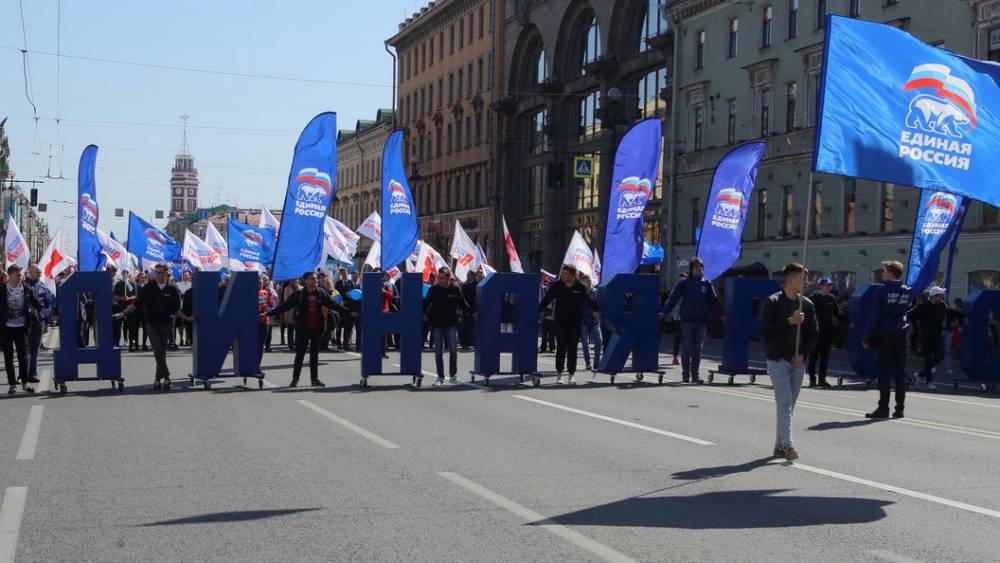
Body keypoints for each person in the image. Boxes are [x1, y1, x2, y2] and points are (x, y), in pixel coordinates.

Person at [760, 263, 818, 461]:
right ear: (792, 279)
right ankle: (789, 446)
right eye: (804, 279)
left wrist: (802, 355)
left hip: (798, 362)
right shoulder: (773, 302)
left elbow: (813, 334)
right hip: (778, 360)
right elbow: (764, 331)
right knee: (784, 403)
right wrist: (788, 322)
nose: (807, 283)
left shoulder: (807, 304)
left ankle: (778, 447)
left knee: (788, 406)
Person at [269, 271, 357, 387]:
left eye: (315, 279)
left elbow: (333, 305)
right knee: (300, 355)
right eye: (312, 279)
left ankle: (314, 379)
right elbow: (285, 306)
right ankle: (295, 379)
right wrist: (268, 314)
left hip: (317, 328)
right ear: (305, 281)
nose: (314, 281)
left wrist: (349, 312)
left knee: (314, 355)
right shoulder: (299, 294)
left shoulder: (321, 293)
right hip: (303, 329)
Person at [119, 264, 185, 389]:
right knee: (157, 350)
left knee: (162, 352)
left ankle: (158, 378)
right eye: (157, 272)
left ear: (166, 273)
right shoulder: (149, 287)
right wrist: (123, 312)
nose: (158, 274)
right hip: (151, 324)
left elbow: (176, 309)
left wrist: (187, 318)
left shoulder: (172, 289)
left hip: (166, 323)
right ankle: (166, 377)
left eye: (161, 272)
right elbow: (136, 303)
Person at [863, 260, 911, 419]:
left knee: (884, 372)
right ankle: (900, 409)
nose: (883, 273)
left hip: (885, 334)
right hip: (900, 335)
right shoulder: (906, 291)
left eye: (884, 271)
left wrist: (866, 337)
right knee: (899, 372)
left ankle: (883, 409)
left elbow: (874, 316)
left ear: (890, 273)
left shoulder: (881, 291)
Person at [539, 264, 600, 385]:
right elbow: (547, 298)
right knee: (560, 348)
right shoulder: (557, 286)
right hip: (560, 322)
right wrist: (539, 309)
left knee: (572, 349)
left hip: (575, 323)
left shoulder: (579, 287)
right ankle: (560, 374)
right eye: (562, 273)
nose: (563, 275)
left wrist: (597, 310)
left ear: (572, 275)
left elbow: (589, 300)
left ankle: (571, 374)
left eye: (566, 274)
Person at [660, 257, 719, 383]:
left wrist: (722, 315)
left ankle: (695, 375)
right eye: (697, 267)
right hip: (687, 321)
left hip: (701, 321)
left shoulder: (706, 283)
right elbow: (674, 298)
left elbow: (713, 301)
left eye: (701, 267)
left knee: (697, 349)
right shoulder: (684, 283)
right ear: (692, 269)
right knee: (687, 348)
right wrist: (665, 312)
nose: (700, 269)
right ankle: (685, 375)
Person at [423, 267, 471, 386]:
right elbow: (425, 303)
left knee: (453, 351)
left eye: (442, 278)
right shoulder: (433, 290)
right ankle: (440, 377)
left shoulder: (455, 289)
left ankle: (453, 376)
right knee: (438, 352)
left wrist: (473, 312)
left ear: (448, 278)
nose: (439, 280)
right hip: (437, 325)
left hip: (451, 324)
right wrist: (423, 314)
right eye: (438, 278)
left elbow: (463, 303)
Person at [2, 265, 43, 394]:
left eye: (20, 275)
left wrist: (46, 311)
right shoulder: (2, 290)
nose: (20, 277)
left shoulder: (26, 288)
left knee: (23, 357)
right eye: (17, 275)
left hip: (21, 327)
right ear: (10, 275)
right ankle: (12, 384)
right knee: (8, 357)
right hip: (6, 328)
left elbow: (35, 302)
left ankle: (25, 383)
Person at [908, 286, 957, 391]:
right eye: (940, 295)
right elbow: (910, 313)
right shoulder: (924, 306)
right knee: (928, 359)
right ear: (934, 296)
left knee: (938, 358)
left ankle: (919, 374)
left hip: (937, 336)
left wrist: (965, 315)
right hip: (925, 337)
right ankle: (929, 383)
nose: (942, 297)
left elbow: (951, 311)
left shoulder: (942, 305)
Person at [23, 263, 54, 384]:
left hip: (39, 321)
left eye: (40, 273)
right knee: (25, 349)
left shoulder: (42, 286)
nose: (40, 275)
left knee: (35, 349)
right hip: (26, 322)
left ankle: (32, 374)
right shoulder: (23, 285)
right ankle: (23, 373)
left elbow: (47, 303)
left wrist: (47, 323)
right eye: (37, 273)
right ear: (29, 272)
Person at [807, 277, 840, 388]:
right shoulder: (814, 297)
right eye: (828, 285)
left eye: (830, 285)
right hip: (816, 331)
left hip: (828, 332)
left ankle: (822, 380)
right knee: (813, 356)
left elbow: (837, 313)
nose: (830, 287)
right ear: (821, 286)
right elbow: (808, 313)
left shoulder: (831, 298)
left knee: (825, 357)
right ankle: (812, 379)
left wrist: (848, 322)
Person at [579, 273, 602, 372]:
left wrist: (597, 312)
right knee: (585, 343)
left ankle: (596, 364)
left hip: (594, 321)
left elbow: (599, 304)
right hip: (583, 321)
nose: (587, 282)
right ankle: (588, 363)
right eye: (584, 281)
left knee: (599, 341)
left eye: (588, 280)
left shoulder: (595, 292)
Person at [460, 271, 477, 350]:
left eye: (469, 275)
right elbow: (462, 300)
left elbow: (475, 300)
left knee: (470, 328)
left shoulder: (476, 286)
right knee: (465, 328)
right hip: (466, 310)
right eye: (467, 275)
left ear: (473, 276)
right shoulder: (465, 286)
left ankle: (469, 342)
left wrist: (473, 311)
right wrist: (466, 310)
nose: (468, 277)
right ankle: (464, 343)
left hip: (473, 311)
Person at [282, 279, 299, 352]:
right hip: (290, 311)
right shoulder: (287, 289)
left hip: (299, 312)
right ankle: (290, 345)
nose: (295, 282)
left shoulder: (301, 288)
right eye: (294, 280)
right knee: (290, 329)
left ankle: (297, 344)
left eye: (296, 280)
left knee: (298, 330)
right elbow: (286, 301)